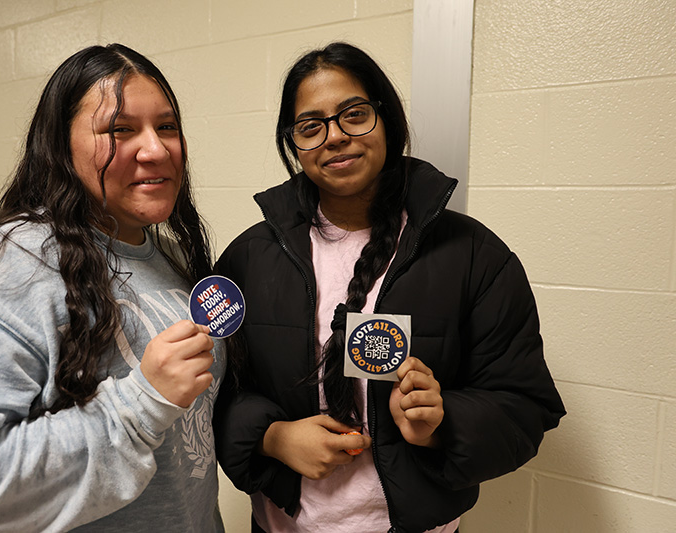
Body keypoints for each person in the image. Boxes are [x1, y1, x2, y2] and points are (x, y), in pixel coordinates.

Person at [214, 42, 566, 533]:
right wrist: (272, 437)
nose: (335, 137)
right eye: (311, 127)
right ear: (293, 143)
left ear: (388, 119)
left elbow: (525, 407)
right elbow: (212, 394)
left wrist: (443, 423)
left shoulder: (472, 254)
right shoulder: (248, 258)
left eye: (354, 115)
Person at [0, 44, 225, 532]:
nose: (156, 148)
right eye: (119, 129)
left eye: (168, 126)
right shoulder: (1, 275)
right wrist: (140, 405)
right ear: (59, 147)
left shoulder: (171, 257)